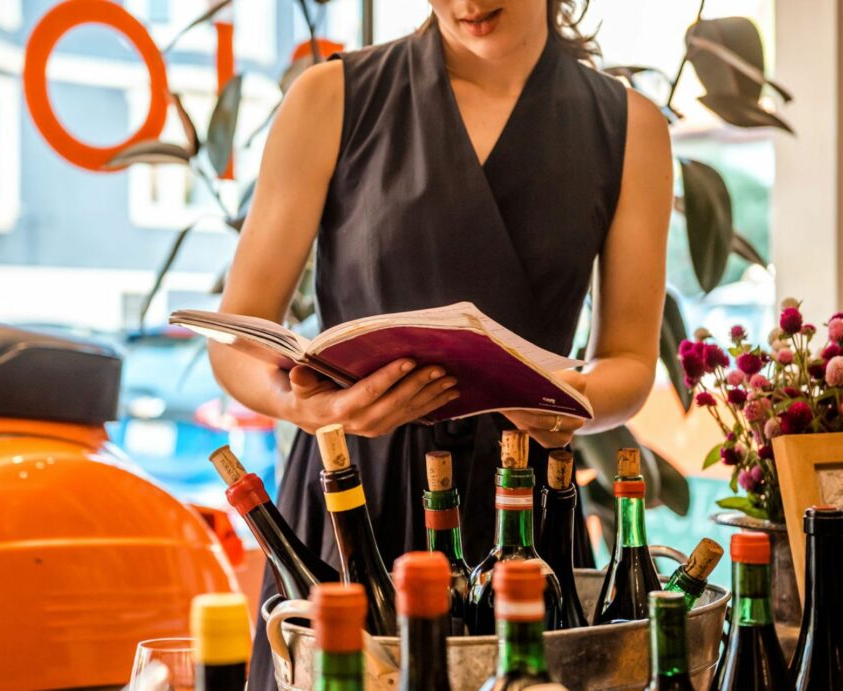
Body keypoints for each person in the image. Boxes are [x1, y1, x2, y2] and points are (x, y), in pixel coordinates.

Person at [208, 1, 672, 687]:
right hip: (349, 497)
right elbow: (236, 334)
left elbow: (630, 360)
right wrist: (306, 407)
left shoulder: (629, 127)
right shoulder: (331, 99)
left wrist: (565, 404)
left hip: (522, 507)